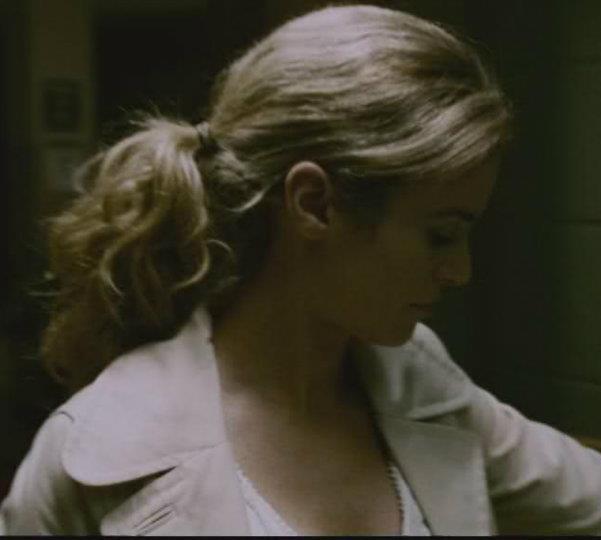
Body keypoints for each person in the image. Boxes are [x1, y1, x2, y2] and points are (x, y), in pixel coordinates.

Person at [1, 3, 600, 536]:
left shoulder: (422, 385)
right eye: (440, 235)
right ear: (313, 204)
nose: (460, 271)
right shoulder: (93, 449)